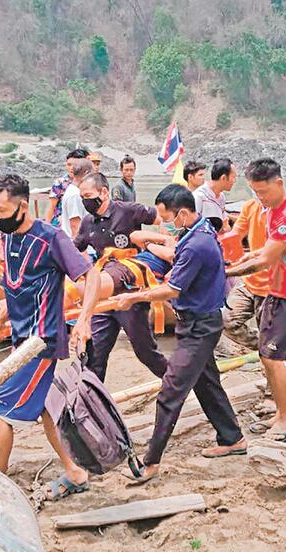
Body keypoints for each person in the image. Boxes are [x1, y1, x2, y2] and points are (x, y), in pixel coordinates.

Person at [112, 185, 247, 484]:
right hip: (195, 323)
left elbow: (173, 289)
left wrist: (134, 298)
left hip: (201, 326)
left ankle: (150, 462)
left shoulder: (197, 243)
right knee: (207, 384)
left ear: (183, 213)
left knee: (171, 391)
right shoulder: (195, 233)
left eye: (167, 217)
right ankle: (232, 438)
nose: (166, 223)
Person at [0, 174, 101, 499]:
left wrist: (84, 321)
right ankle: (75, 472)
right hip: (19, 341)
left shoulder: (52, 239)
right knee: (48, 410)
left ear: (23, 205)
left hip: (41, 342)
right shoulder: (7, 237)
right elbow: (18, 287)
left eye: (3, 210)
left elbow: (90, 275)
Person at [227, 158, 286, 442]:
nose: (260, 198)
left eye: (263, 191)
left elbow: (265, 259)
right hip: (274, 292)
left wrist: (226, 271)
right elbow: (263, 249)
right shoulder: (271, 210)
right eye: (255, 192)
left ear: (279, 183)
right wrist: (245, 256)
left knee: (273, 358)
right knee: (267, 355)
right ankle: (279, 413)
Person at [75, 172, 169, 382]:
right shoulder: (88, 222)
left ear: (104, 192)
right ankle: (92, 401)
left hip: (130, 289)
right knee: (95, 355)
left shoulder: (128, 211)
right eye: (82, 197)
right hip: (103, 290)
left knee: (145, 352)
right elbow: (75, 250)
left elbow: (162, 218)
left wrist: (160, 246)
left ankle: (177, 382)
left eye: (88, 195)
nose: (85, 201)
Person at [224, 195, 268, 349]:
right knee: (227, 320)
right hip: (251, 280)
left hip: (277, 285)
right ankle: (262, 347)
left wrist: (227, 272)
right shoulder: (251, 206)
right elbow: (234, 236)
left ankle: (272, 351)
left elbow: (274, 251)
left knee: (270, 332)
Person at [46, 148, 89, 223]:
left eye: (75, 165)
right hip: (62, 223)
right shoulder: (60, 183)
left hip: (84, 221)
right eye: (69, 165)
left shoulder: (90, 182)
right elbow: (51, 207)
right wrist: (46, 227)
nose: (71, 168)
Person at [193, 158, 236, 231]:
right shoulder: (199, 196)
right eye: (233, 177)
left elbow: (225, 223)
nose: (235, 181)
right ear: (223, 178)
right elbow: (192, 225)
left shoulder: (221, 196)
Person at [59, 158, 93, 238]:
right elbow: (75, 226)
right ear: (86, 173)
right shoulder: (75, 195)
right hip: (79, 245)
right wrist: (81, 249)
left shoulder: (76, 191)